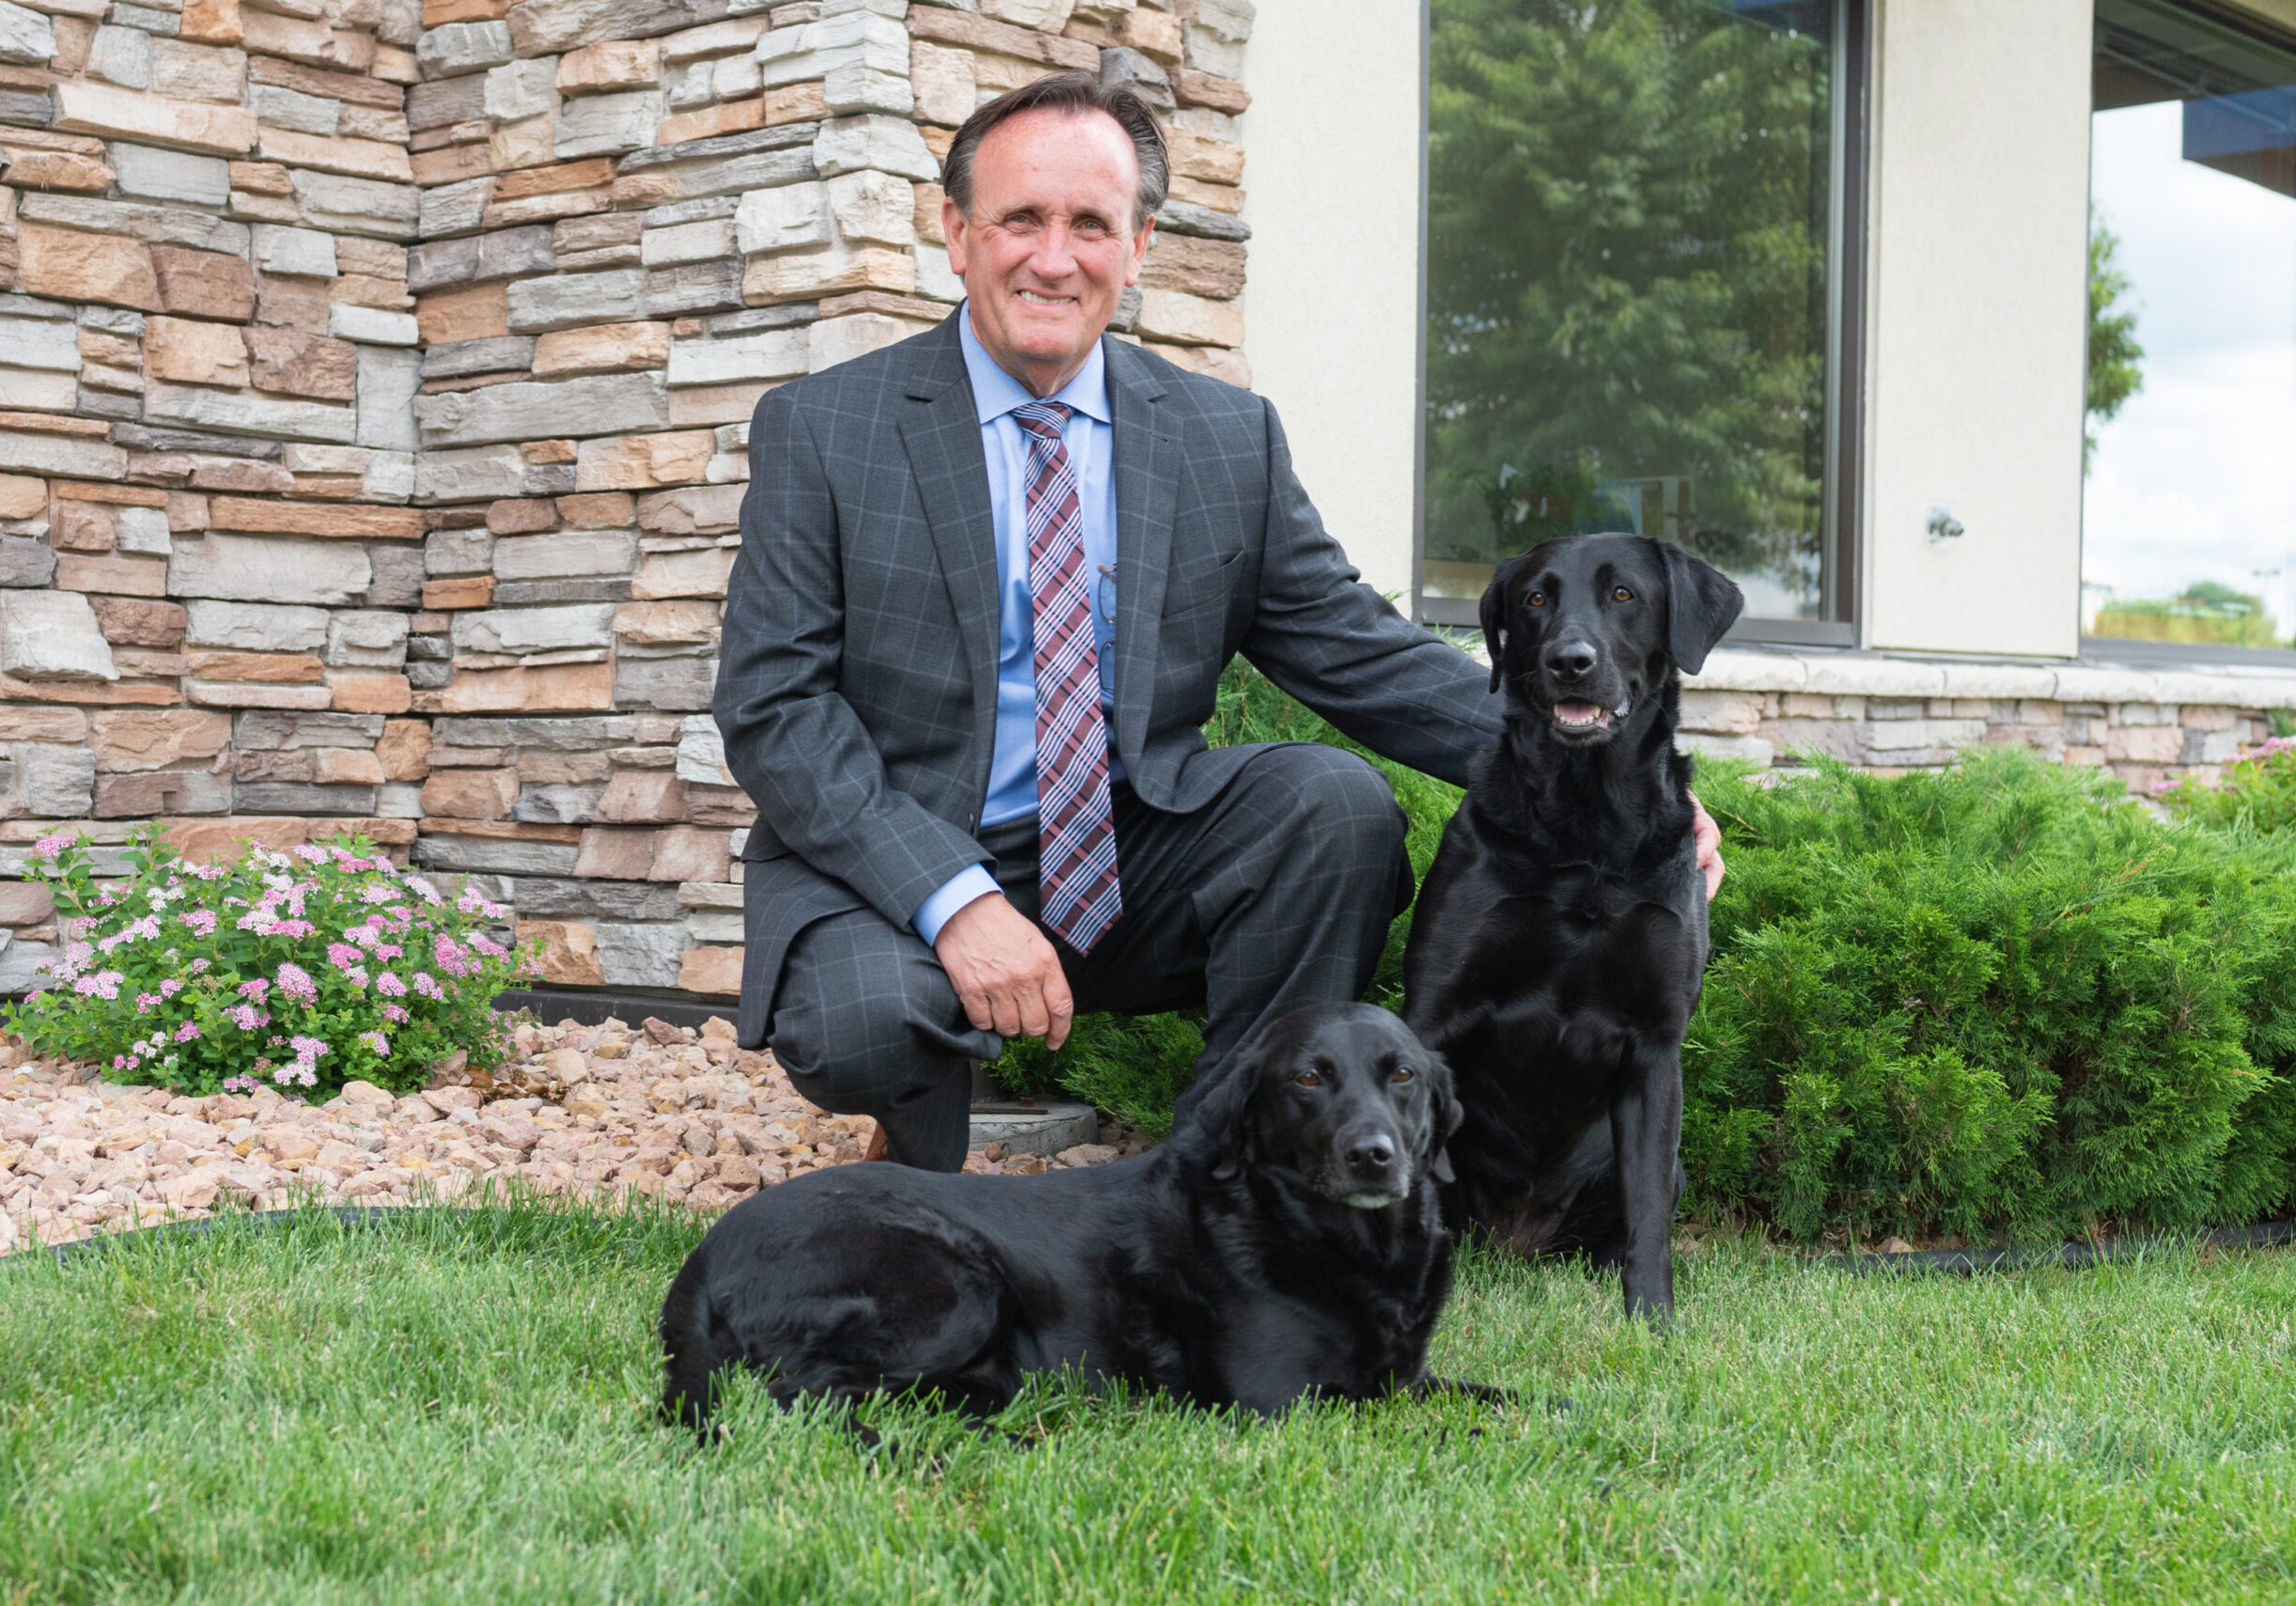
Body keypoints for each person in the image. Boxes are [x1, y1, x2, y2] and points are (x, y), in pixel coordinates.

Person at [713, 70, 1724, 1172]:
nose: (1054, 258)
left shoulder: (1220, 439)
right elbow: (777, 707)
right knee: (858, 1017)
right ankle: (915, 1154)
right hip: (906, 854)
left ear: (1138, 244)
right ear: (956, 232)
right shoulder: (826, 430)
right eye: (1020, 220)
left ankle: (1218, 1173)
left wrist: (1614, 771)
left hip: (1124, 854)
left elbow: (1359, 650)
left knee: (1334, 808)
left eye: (1090, 223)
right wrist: (951, 898)